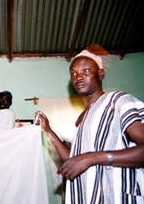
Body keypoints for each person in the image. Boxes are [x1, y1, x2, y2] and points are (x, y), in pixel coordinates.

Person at [35, 48, 144, 203]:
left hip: (115, 197)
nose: (78, 77)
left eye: (85, 70)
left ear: (100, 74)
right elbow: (73, 160)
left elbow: (86, 159)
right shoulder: (83, 118)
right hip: (87, 197)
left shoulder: (117, 100)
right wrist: (47, 130)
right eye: (73, 73)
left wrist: (92, 158)